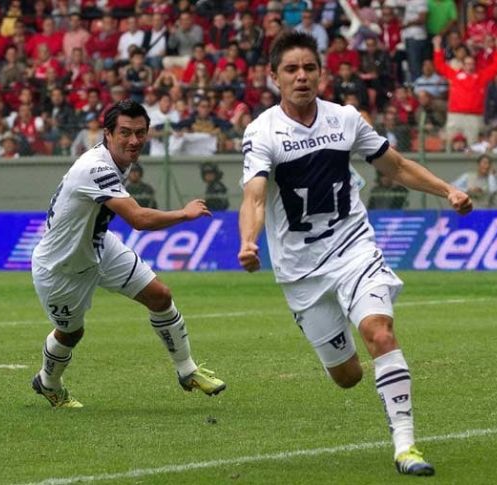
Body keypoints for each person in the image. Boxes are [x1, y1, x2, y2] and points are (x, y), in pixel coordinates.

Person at [238, 32, 472, 477]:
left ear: (321, 73)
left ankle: (406, 447)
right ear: (273, 77)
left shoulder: (345, 119)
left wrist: (447, 190)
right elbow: (253, 196)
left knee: (379, 332)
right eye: (291, 69)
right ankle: (344, 359)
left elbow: (396, 166)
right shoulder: (262, 131)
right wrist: (249, 242)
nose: (301, 76)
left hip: (353, 248)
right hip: (301, 270)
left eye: (309, 67)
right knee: (347, 376)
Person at [30, 100, 226, 409]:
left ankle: (187, 370)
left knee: (160, 296)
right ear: (107, 133)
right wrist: (185, 214)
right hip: (62, 266)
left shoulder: (120, 158)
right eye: (125, 133)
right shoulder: (95, 167)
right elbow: (138, 219)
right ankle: (48, 382)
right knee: (71, 333)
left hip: (99, 245)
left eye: (140, 133)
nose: (134, 141)